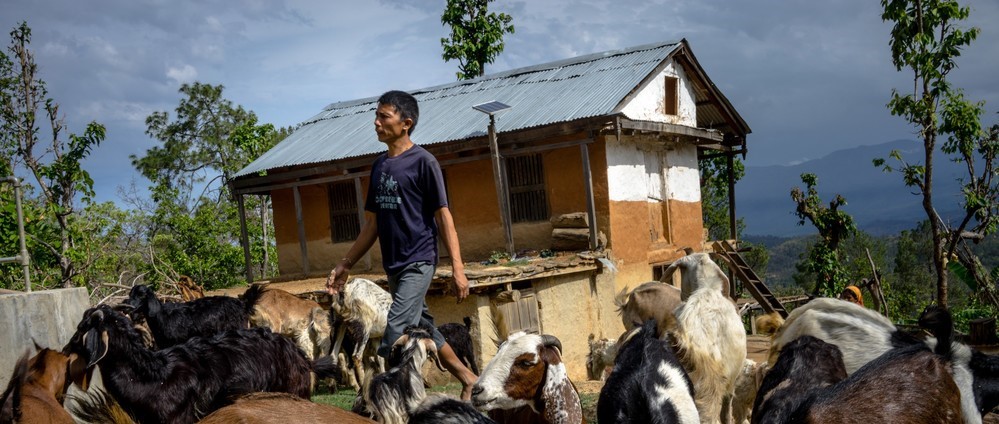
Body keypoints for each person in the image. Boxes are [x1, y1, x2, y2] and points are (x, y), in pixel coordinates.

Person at [326, 90, 477, 399]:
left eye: (384, 116)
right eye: (377, 115)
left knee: (394, 332)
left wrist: (457, 268)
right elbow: (372, 225)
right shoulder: (380, 166)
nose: (376, 122)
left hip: (419, 258)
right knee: (423, 326)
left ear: (405, 123)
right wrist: (346, 264)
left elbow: (444, 217)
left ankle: (396, 398)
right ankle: (468, 378)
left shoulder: (424, 162)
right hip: (394, 262)